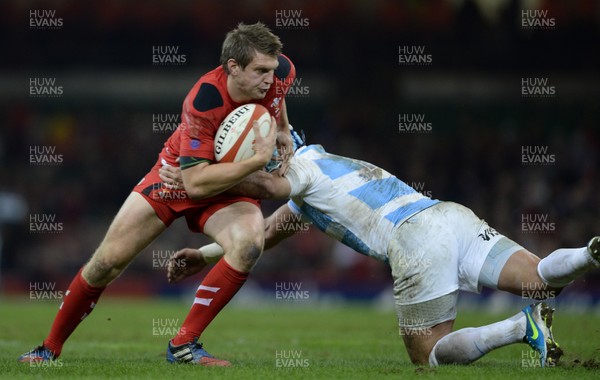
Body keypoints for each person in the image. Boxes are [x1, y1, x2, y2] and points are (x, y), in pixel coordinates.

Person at [162, 142, 600, 367]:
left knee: (427, 357)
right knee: (541, 280)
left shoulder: (298, 169)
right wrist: (204, 255)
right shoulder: (317, 173)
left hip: (415, 239)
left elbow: (268, 187)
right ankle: (590, 254)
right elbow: (269, 232)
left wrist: (201, 177)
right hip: (448, 215)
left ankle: (517, 328)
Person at [19, 22, 297, 366]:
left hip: (226, 186)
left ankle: (184, 345)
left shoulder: (281, 70)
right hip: (173, 178)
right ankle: (48, 348)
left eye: (272, 69)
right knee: (106, 262)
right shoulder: (203, 100)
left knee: (249, 245)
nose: (269, 79)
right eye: (260, 71)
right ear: (233, 67)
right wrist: (257, 159)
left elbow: (278, 96)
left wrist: (283, 128)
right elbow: (194, 184)